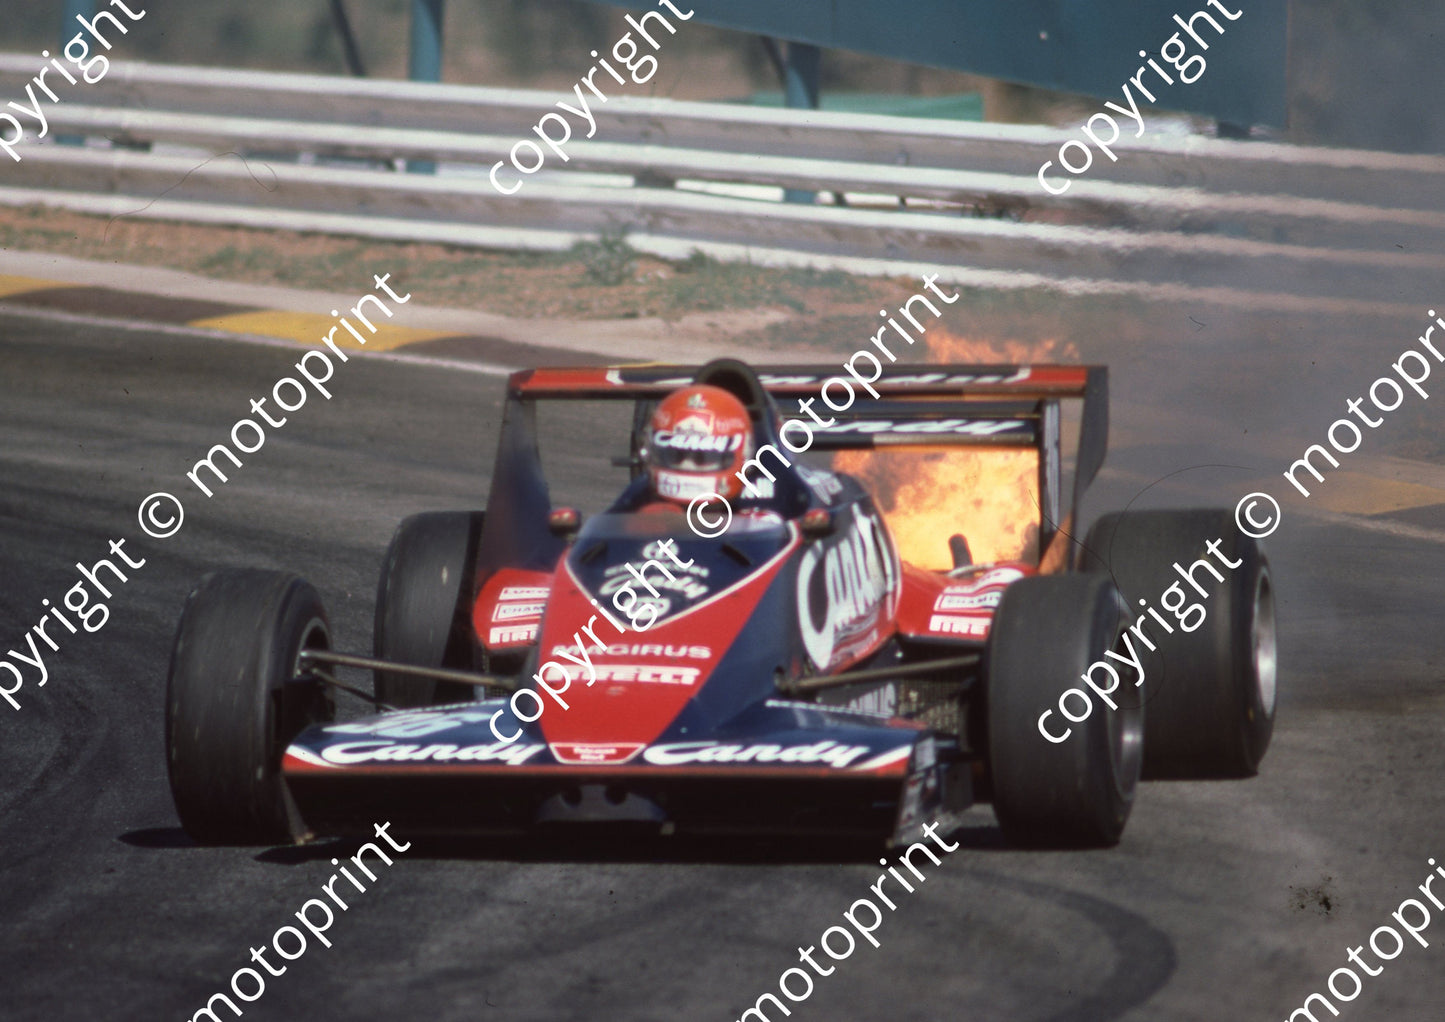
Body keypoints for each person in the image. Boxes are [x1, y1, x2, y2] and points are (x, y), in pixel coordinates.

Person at [640, 383, 754, 505]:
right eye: (676, 455)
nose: (687, 466)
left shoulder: (762, 514)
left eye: (702, 458)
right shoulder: (638, 496)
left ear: (745, 454)